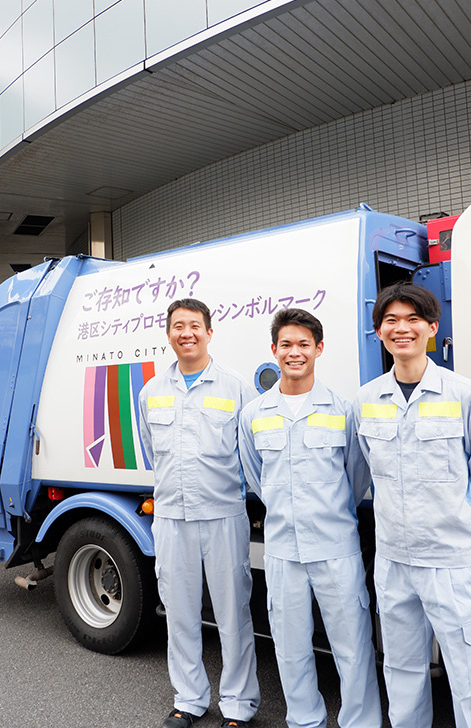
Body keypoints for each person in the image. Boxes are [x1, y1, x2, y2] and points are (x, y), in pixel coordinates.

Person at [353, 282, 471, 728]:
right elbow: (363, 469)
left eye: (413, 319)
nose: (402, 329)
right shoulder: (366, 400)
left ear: (433, 328)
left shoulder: (464, 394)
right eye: (391, 321)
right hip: (394, 559)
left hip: (450, 560)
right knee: (401, 670)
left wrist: (451, 516)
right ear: (378, 331)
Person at [238, 308, 382, 728]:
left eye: (304, 344)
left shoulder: (343, 410)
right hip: (283, 550)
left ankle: (360, 722)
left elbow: (356, 477)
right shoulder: (255, 414)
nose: (294, 352)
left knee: (352, 648)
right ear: (274, 350)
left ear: (319, 349)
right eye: (286, 345)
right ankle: (304, 720)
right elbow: (256, 477)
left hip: (336, 547)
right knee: (290, 647)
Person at [138, 298, 260, 728]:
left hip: (224, 514)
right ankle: (188, 700)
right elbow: (153, 452)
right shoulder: (151, 391)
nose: (185, 333)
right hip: (171, 516)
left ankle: (239, 705)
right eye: (177, 326)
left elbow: (250, 456)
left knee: (232, 615)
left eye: (194, 325)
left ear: (210, 331)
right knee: (180, 613)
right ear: (168, 334)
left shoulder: (236, 387)